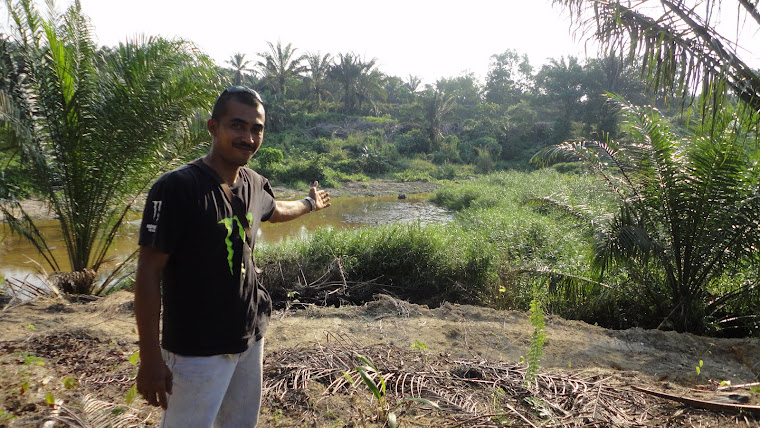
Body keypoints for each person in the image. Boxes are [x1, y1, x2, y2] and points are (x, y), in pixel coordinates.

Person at [134, 86, 330, 427]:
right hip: (197, 348)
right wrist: (149, 356)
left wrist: (310, 204)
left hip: (249, 337)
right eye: (238, 126)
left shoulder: (254, 183)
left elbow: (275, 209)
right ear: (213, 127)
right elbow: (148, 272)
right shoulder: (177, 188)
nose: (249, 137)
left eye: (257, 129)